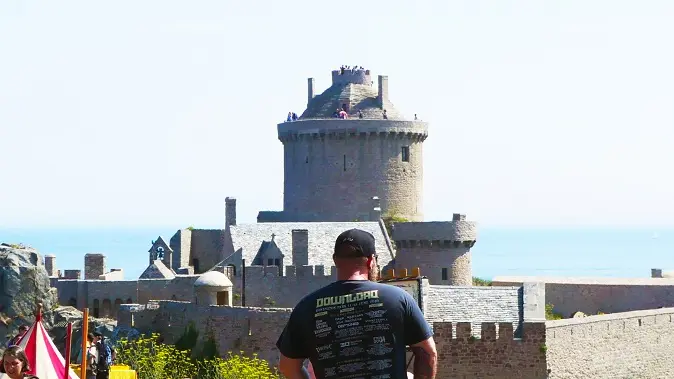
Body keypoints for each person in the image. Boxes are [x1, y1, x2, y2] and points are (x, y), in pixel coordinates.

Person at [276, 229, 437, 379]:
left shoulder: (306, 307)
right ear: (371, 261)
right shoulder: (399, 298)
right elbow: (427, 353)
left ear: (335, 261)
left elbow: (287, 366)